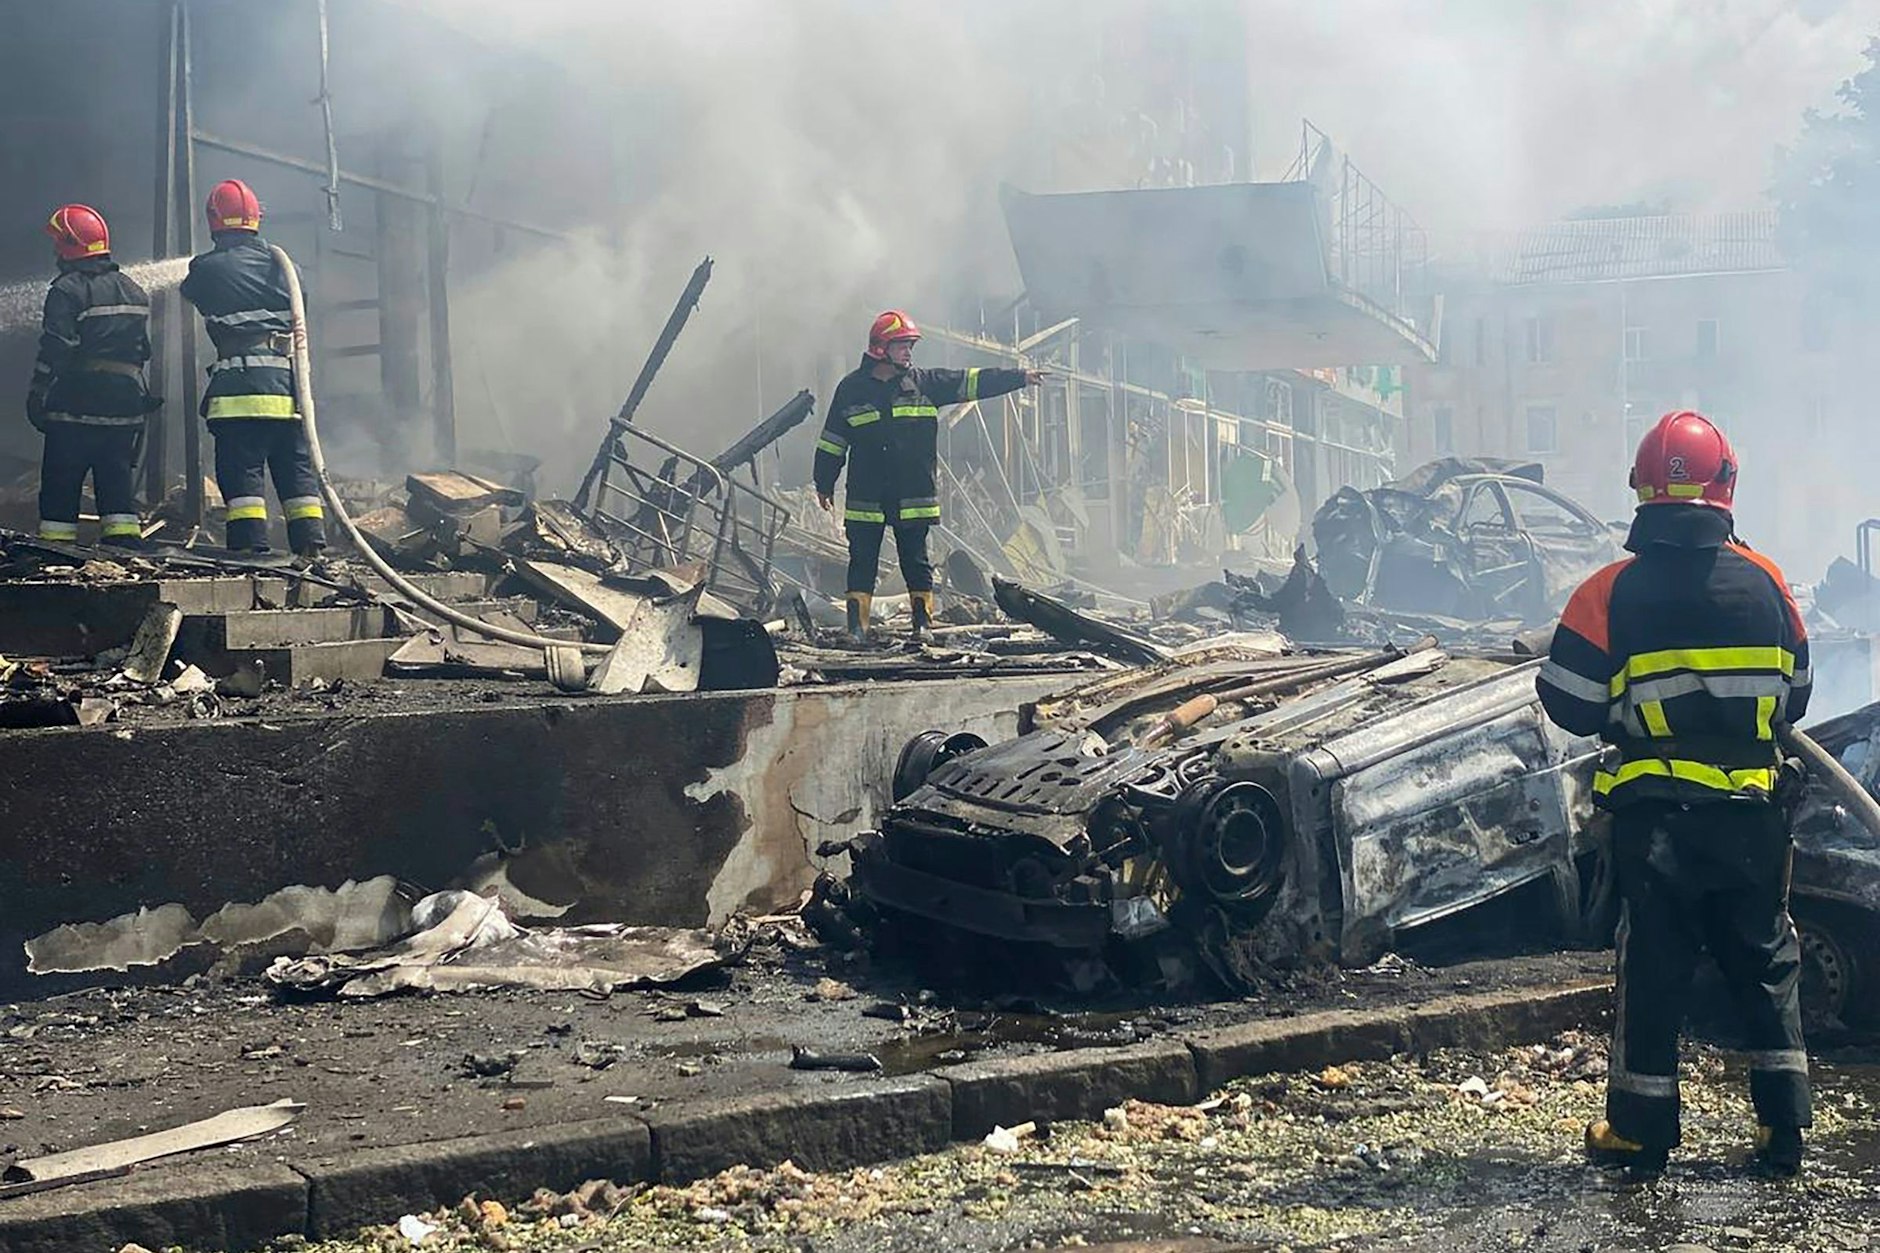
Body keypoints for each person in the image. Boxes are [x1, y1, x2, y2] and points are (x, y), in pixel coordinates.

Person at [1537, 409, 1812, 1176]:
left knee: (1653, 966)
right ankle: (1783, 1130)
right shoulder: (1768, 582)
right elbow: (1797, 695)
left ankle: (1642, 1130)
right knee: (1765, 961)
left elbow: (1568, 702)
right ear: (1726, 486)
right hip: (1752, 819)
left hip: (1657, 822)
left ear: (1641, 490)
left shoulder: (1607, 592)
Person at [812, 310, 1038, 639]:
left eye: (910, 346)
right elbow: (833, 440)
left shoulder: (925, 384)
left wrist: (1019, 377)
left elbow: (972, 381)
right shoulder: (851, 390)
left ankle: (922, 625)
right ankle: (857, 629)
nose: (908, 352)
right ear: (880, 348)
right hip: (866, 496)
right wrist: (824, 482)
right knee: (862, 563)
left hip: (912, 495)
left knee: (916, 563)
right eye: (902, 345)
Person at [179, 179, 326, 556]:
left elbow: (190, 290)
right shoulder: (286, 266)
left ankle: (252, 554)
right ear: (256, 218)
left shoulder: (207, 268)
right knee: (296, 472)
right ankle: (312, 551)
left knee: (242, 474)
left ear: (213, 219)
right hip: (288, 388)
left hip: (240, 391)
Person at [28, 204, 156, 546]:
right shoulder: (134, 290)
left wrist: (38, 391)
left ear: (70, 246)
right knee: (115, 481)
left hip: (77, 404)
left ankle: (55, 554)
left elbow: (57, 347)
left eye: (59, 243)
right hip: (125, 407)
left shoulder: (66, 290)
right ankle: (126, 549)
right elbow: (144, 350)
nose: (56, 251)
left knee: (61, 481)